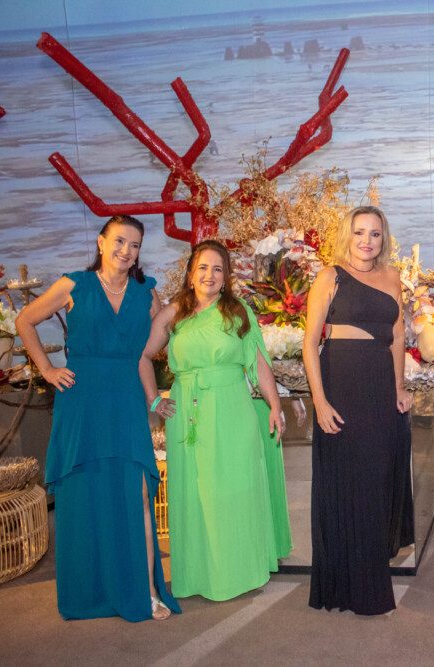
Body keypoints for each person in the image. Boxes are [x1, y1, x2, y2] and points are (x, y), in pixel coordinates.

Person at [15, 215, 179, 621]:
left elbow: (166, 336)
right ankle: (89, 592)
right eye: (119, 241)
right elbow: (24, 320)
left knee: (137, 492)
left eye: (135, 245)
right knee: (84, 492)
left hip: (126, 400)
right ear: (102, 243)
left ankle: (147, 591)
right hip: (81, 401)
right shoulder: (74, 285)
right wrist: (47, 369)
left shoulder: (146, 292)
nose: (127, 250)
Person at [138, 240, 290, 601]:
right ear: (191, 274)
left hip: (234, 408)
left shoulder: (238, 312)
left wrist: (275, 406)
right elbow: (142, 355)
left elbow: (258, 363)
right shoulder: (173, 314)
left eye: (217, 269)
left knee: (236, 489)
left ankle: (239, 571)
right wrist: (154, 398)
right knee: (196, 494)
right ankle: (199, 575)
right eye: (203, 268)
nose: (210, 275)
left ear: (226, 277)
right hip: (188, 415)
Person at [302, 205, 412, 615]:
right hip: (342, 383)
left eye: (375, 234)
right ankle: (351, 585)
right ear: (347, 235)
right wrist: (319, 401)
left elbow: (398, 336)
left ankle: (370, 572)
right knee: (350, 482)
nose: (367, 241)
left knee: (378, 479)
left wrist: (399, 386)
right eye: (360, 232)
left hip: (380, 387)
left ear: (384, 239)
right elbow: (310, 342)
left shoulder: (392, 277)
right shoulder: (329, 276)